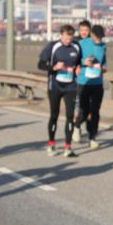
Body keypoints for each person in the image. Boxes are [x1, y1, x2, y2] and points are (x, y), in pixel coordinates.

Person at [38, 24, 81, 157]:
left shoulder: (76, 47)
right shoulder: (52, 46)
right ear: (61, 35)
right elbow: (40, 64)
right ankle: (51, 144)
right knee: (54, 115)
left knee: (70, 117)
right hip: (55, 86)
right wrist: (54, 67)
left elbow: (79, 62)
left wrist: (78, 68)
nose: (69, 40)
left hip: (70, 86)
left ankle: (68, 147)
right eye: (67, 37)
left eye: (71, 37)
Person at [72, 24, 107, 148]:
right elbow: (74, 59)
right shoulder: (82, 44)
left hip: (97, 82)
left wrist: (104, 67)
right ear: (92, 35)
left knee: (95, 111)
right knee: (84, 110)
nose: (99, 40)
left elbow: (104, 61)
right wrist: (82, 62)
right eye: (97, 38)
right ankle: (76, 126)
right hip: (83, 82)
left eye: (101, 38)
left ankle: (93, 137)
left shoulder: (103, 45)